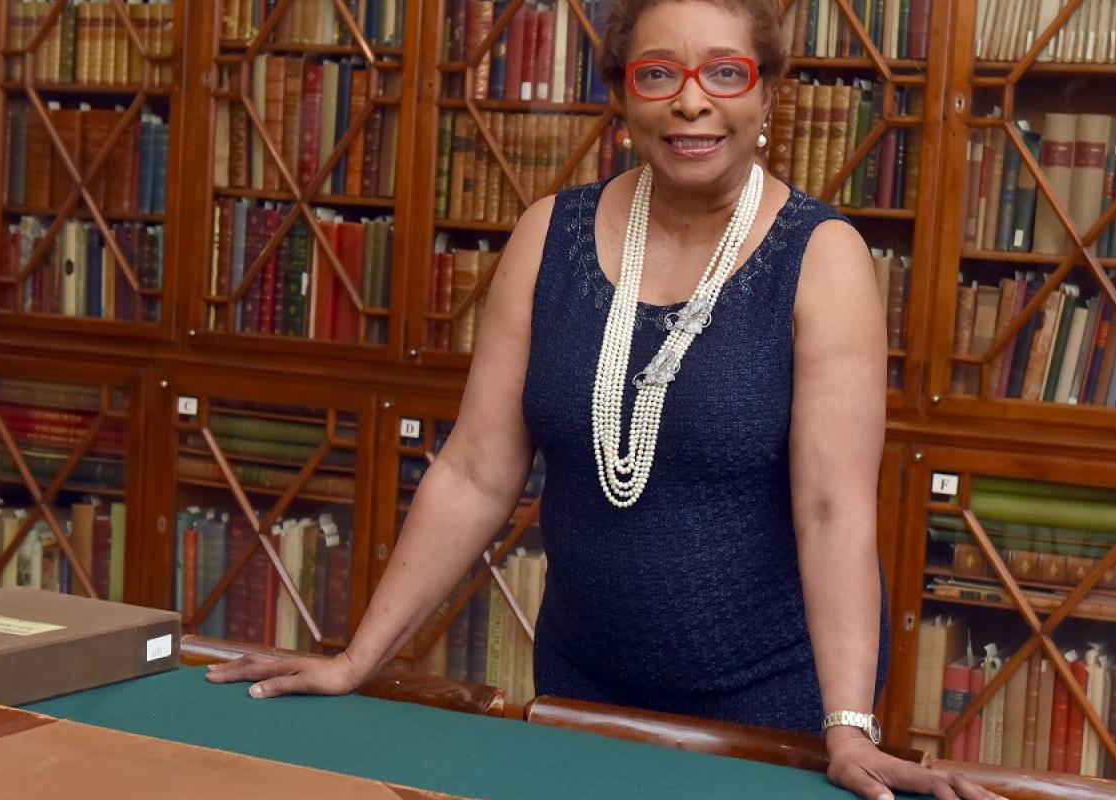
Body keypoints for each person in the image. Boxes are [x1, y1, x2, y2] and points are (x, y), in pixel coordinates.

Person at [210, 1, 998, 797]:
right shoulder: (548, 234)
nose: (691, 101)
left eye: (726, 72)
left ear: (768, 94)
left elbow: (833, 512)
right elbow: (475, 472)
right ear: (622, 95)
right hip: (581, 689)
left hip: (768, 707)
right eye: (658, 74)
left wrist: (849, 728)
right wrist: (357, 659)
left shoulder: (823, 257)